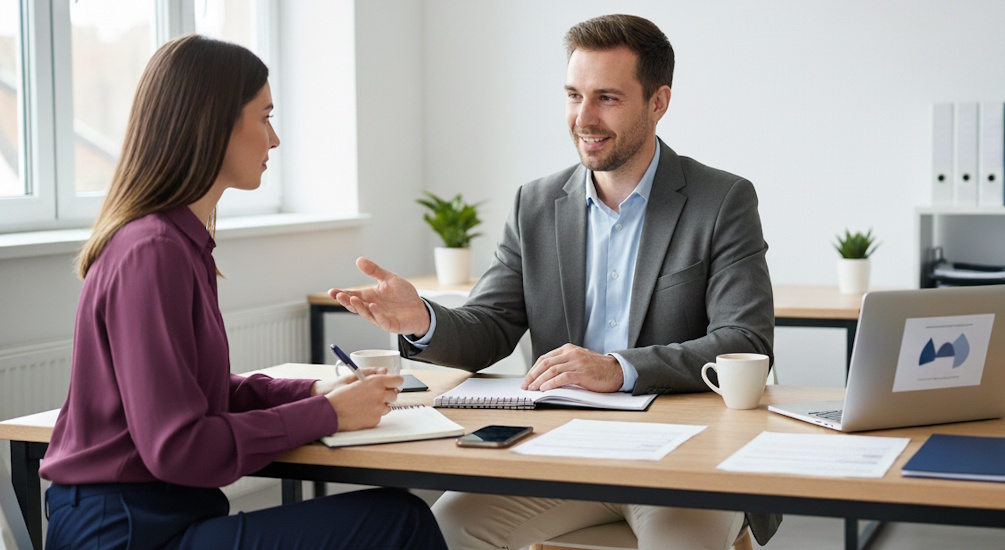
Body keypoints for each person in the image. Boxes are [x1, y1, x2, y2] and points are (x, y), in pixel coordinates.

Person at [331, 14, 779, 549]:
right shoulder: (536, 205)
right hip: (560, 448)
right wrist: (423, 319)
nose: (582, 118)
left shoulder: (720, 201)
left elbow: (745, 342)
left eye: (607, 98)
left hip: (682, 455)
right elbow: (492, 324)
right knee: (446, 532)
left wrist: (618, 369)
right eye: (573, 95)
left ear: (658, 103)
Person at [40, 35, 447, 550]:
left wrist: (318, 392)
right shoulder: (153, 251)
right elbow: (178, 445)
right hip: (126, 532)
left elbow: (202, 394)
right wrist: (328, 415)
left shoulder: (178, 244)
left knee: (392, 516)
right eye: (265, 116)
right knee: (396, 522)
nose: (274, 140)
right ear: (214, 125)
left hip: (154, 518)